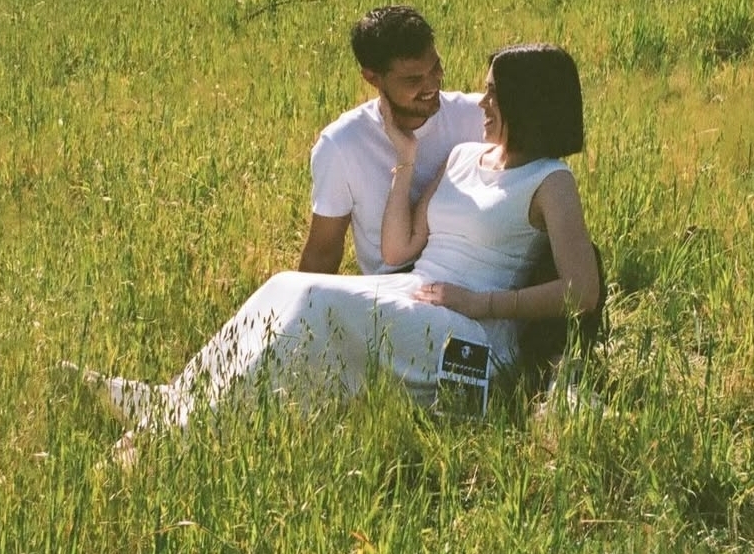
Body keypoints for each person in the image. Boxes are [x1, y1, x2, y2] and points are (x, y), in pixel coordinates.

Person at [88, 43, 600, 463]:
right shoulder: (464, 156)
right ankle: (177, 400)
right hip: (419, 293)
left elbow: (583, 290)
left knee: (319, 304)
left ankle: (175, 438)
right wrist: (405, 160)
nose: (482, 104)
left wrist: (480, 304)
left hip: (475, 348)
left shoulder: (551, 180)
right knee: (286, 285)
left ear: (527, 104)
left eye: (494, 95)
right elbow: (400, 247)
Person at [298, 5, 484, 275]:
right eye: (413, 79)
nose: (432, 84)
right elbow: (323, 252)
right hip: (392, 285)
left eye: (436, 67)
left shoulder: (478, 116)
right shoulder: (341, 145)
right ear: (372, 78)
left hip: (476, 276)